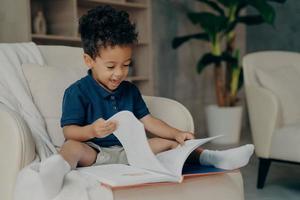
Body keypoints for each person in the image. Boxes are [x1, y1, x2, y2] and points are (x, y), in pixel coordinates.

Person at [38, 5, 254, 199]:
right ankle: (56, 171)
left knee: (170, 143)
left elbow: (148, 121)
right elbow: (70, 132)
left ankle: (213, 159)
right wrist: (92, 131)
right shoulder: (77, 92)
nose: (119, 73)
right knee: (72, 147)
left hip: (132, 153)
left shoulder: (130, 90)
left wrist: (176, 134)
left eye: (126, 65)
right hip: (95, 153)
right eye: (111, 67)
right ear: (89, 60)